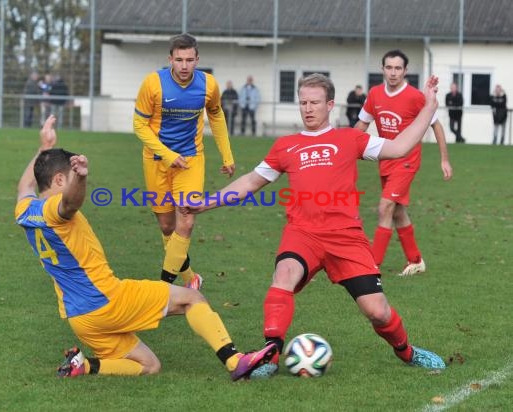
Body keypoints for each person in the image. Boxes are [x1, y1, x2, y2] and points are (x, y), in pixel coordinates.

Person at [183, 73, 446, 377]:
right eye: (303, 102)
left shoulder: (350, 138)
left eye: (315, 103)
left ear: (330, 104)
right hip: (303, 233)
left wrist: (428, 106)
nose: (308, 108)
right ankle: (270, 356)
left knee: (377, 310)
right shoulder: (286, 146)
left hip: (346, 237)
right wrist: (205, 203)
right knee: (284, 274)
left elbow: (399, 147)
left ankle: (408, 352)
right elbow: (250, 182)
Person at [14, 115, 276, 380]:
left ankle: (84, 365)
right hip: (108, 300)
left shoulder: (25, 209)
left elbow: (24, 185)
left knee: (149, 365)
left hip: (80, 318)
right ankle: (235, 362)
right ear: (59, 180)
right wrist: (81, 178)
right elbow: (70, 204)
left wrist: (44, 147)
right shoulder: (54, 212)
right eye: (69, 178)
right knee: (192, 298)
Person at [133, 33, 236, 290]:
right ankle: (190, 278)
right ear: (170, 59)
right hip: (156, 161)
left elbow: (216, 115)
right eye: (179, 60)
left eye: (190, 60)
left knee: (186, 219)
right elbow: (139, 125)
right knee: (168, 227)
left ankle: (163, 288)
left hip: (191, 160)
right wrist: (168, 155)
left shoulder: (208, 85)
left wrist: (227, 155)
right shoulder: (153, 83)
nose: (184, 66)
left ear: (197, 59)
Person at [355, 49, 453, 276]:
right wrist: (343, 151)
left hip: (407, 160)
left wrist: (444, 159)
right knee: (397, 212)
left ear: (405, 71)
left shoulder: (415, 97)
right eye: (389, 67)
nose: (393, 72)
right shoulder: (375, 94)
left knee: (384, 207)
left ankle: (371, 265)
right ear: (382, 69)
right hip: (386, 159)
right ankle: (415, 260)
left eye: (398, 68)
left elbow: (436, 125)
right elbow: (361, 126)